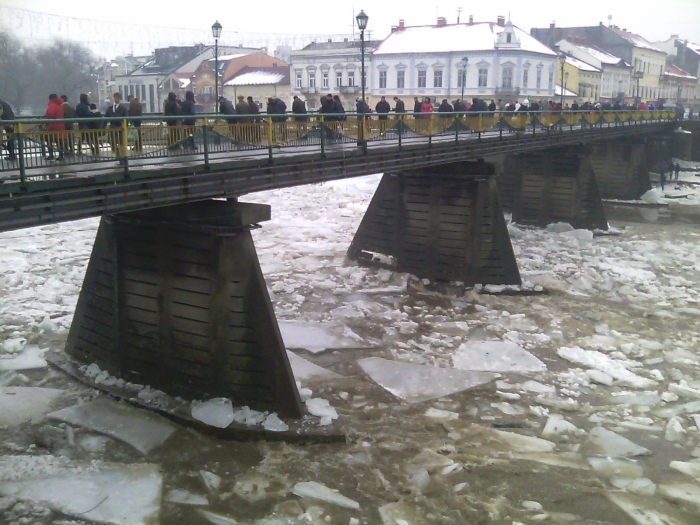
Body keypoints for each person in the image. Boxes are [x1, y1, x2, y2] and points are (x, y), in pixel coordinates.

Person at [44, 94, 66, 161]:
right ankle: (61, 155)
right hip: (60, 125)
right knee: (59, 141)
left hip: (52, 126)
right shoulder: (59, 105)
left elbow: (50, 114)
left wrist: (46, 118)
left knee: (49, 140)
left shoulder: (52, 105)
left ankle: (51, 155)